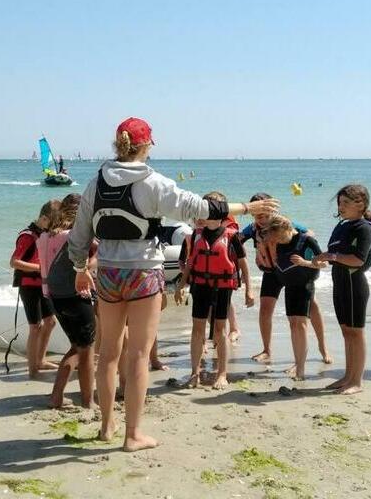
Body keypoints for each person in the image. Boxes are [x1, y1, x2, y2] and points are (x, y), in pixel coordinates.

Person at [68, 117, 278, 452]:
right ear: (147, 144)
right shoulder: (153, 183)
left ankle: (106, 426)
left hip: (107, 273)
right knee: (137, 354)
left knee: (107, 353)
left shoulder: (95, 182)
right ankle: (132, 434)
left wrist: (80, 268)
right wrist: (247, 207)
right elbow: (203, 209)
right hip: (143, 273)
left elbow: (80, 235)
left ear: (117, 145)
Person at [239, 193, 331, 364]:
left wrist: (307, 261)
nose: (261, 216)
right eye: (257, 211)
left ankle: (323, 347)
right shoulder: (252, 229)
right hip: (270, 273)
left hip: (293, 274)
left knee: (311, 307)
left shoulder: (284, 224)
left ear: (273, 210)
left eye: (264, 212)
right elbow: (236, 243)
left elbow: (308, 234)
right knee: (265, 310)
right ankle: (266, 350)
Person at [174, 192, 253, 390]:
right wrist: (181, 285)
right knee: (197, 329)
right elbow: (190, 263)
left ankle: (222, 374)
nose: (203, 213)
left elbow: (243, 265)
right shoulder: (196, 236)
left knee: (220, 330)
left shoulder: (231, 237)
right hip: (200, 285)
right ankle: (194, 373)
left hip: (222, 287)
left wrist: (249, 290)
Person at [316, 184, 371, 395]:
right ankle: (347, 376)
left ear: (360, 204)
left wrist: (331, 257)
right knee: (346, 332)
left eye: (345, 203)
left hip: (354, 284)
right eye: (339, 203)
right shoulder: (342, 226)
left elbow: (358, 260)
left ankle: (357, 381)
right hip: (339, 282)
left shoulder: (364, 228)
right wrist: (320, 257)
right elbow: (334, 253)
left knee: (356, 333)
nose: (340, 207)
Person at [39, 193, 97, 408]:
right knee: (87, 349)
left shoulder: (43, 237)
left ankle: (56, 396)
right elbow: (103, 248)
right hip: (75, 296)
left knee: (77, 347)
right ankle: (88, 401)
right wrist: (91, 265)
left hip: (53, 297)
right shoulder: (74, 235)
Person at [262, 215, 327, 380]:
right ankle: (298, 362)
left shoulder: (306, 241)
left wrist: (305, 262)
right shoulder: (280, 242)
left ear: (285, 229)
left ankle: (301, 369)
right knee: (293, 325)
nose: (278, 240)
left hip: (304, 284)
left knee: (301, 324)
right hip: (289, 286)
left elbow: (325, 263)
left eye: (279, 236)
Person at [9, 201, 59, 379]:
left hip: (43, 284)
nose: (54, 228)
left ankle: (41, 360)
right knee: (35, 326)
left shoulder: (44, 234)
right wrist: (40, 268)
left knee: (51, 322)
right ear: (44, 218)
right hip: (29, 286)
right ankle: (32, 369)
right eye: (52, 223)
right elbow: (14, 262)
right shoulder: (28, 236)